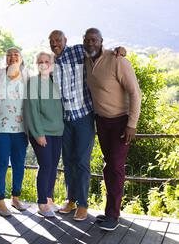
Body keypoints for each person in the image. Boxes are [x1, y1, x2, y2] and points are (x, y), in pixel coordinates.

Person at [49, 30, 125, 222]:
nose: (55, 43)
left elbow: (97, 49)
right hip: (64, 119)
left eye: (58, 40)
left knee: (82, 161)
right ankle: (71, 200)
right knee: (68, 160)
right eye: (51, 41)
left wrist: (119, 51)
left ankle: (83, 204)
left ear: (65, 40)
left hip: (83, 116)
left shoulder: (77, 51)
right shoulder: (50, 62)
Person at [84, 28, 141, 231]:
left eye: (94, 40)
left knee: (116, 167)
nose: (90, 43)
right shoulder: (86, 60)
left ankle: (113, 215)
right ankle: (110, 211)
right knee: (109, 166)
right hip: (102, 122)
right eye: (87, 39)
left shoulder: (118, 60)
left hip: (121, 123)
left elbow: (135, 93)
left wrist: (132, 124)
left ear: (101, 41)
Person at [0, 47, 28, 217]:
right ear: (5, 59)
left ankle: (16, 197)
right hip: (0, 127)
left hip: (21, 130)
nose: (12, 57)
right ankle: (0, 201)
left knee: (19, 164)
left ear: (21, 58)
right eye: (9, 55)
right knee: (1, 163)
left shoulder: (28, 76)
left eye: (16, 55)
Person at [24, 52, 64, 218]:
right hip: (41, 132)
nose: (43, 64)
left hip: (57, 131)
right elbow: (31, 111)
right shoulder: (33, 82)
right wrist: (38, 134)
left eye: (47, 61)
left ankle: (48, 199)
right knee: (46, 165)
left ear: (52, 63)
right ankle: (41, 203)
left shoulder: (56, 82)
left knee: (53, 166)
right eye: (40, 61)